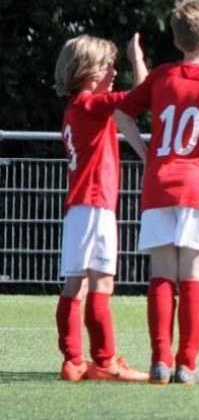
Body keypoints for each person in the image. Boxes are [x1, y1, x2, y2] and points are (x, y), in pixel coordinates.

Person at [114, 0, 199, 385]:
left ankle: (160, 361)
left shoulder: (161, 77)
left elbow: (122, 112)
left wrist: (147, 153)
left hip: (158, 187)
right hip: (196, 190)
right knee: (193, 275)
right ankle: (187, 364)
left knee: (161, 275)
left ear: (176, 40)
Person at [53, 34, 149, 382]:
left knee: (75, 285)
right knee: (101, 284)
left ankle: (74, 359)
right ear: (91, 71)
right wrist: (137, 58)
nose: (114, 72)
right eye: (109, 66)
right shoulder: (90, 105)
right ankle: (105, 361)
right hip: (95, 205)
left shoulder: (75, 109)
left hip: (80, 207)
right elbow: (141, 96)